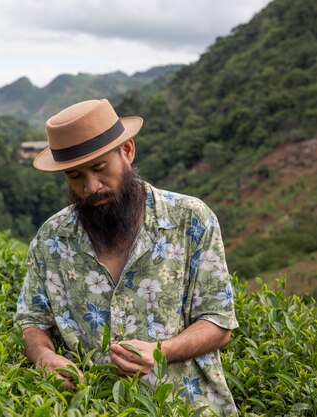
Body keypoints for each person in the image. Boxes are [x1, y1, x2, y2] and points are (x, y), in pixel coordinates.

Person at [15, 99, 238, 414]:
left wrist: (160, 352)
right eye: (74, 175)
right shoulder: (52, 238)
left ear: (128, 151)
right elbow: (33, 320)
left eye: (100, 167)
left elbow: (219, 322)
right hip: (92, 407)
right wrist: (44, 356)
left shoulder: (191, 220)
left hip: (184, 406)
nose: (90, 187)